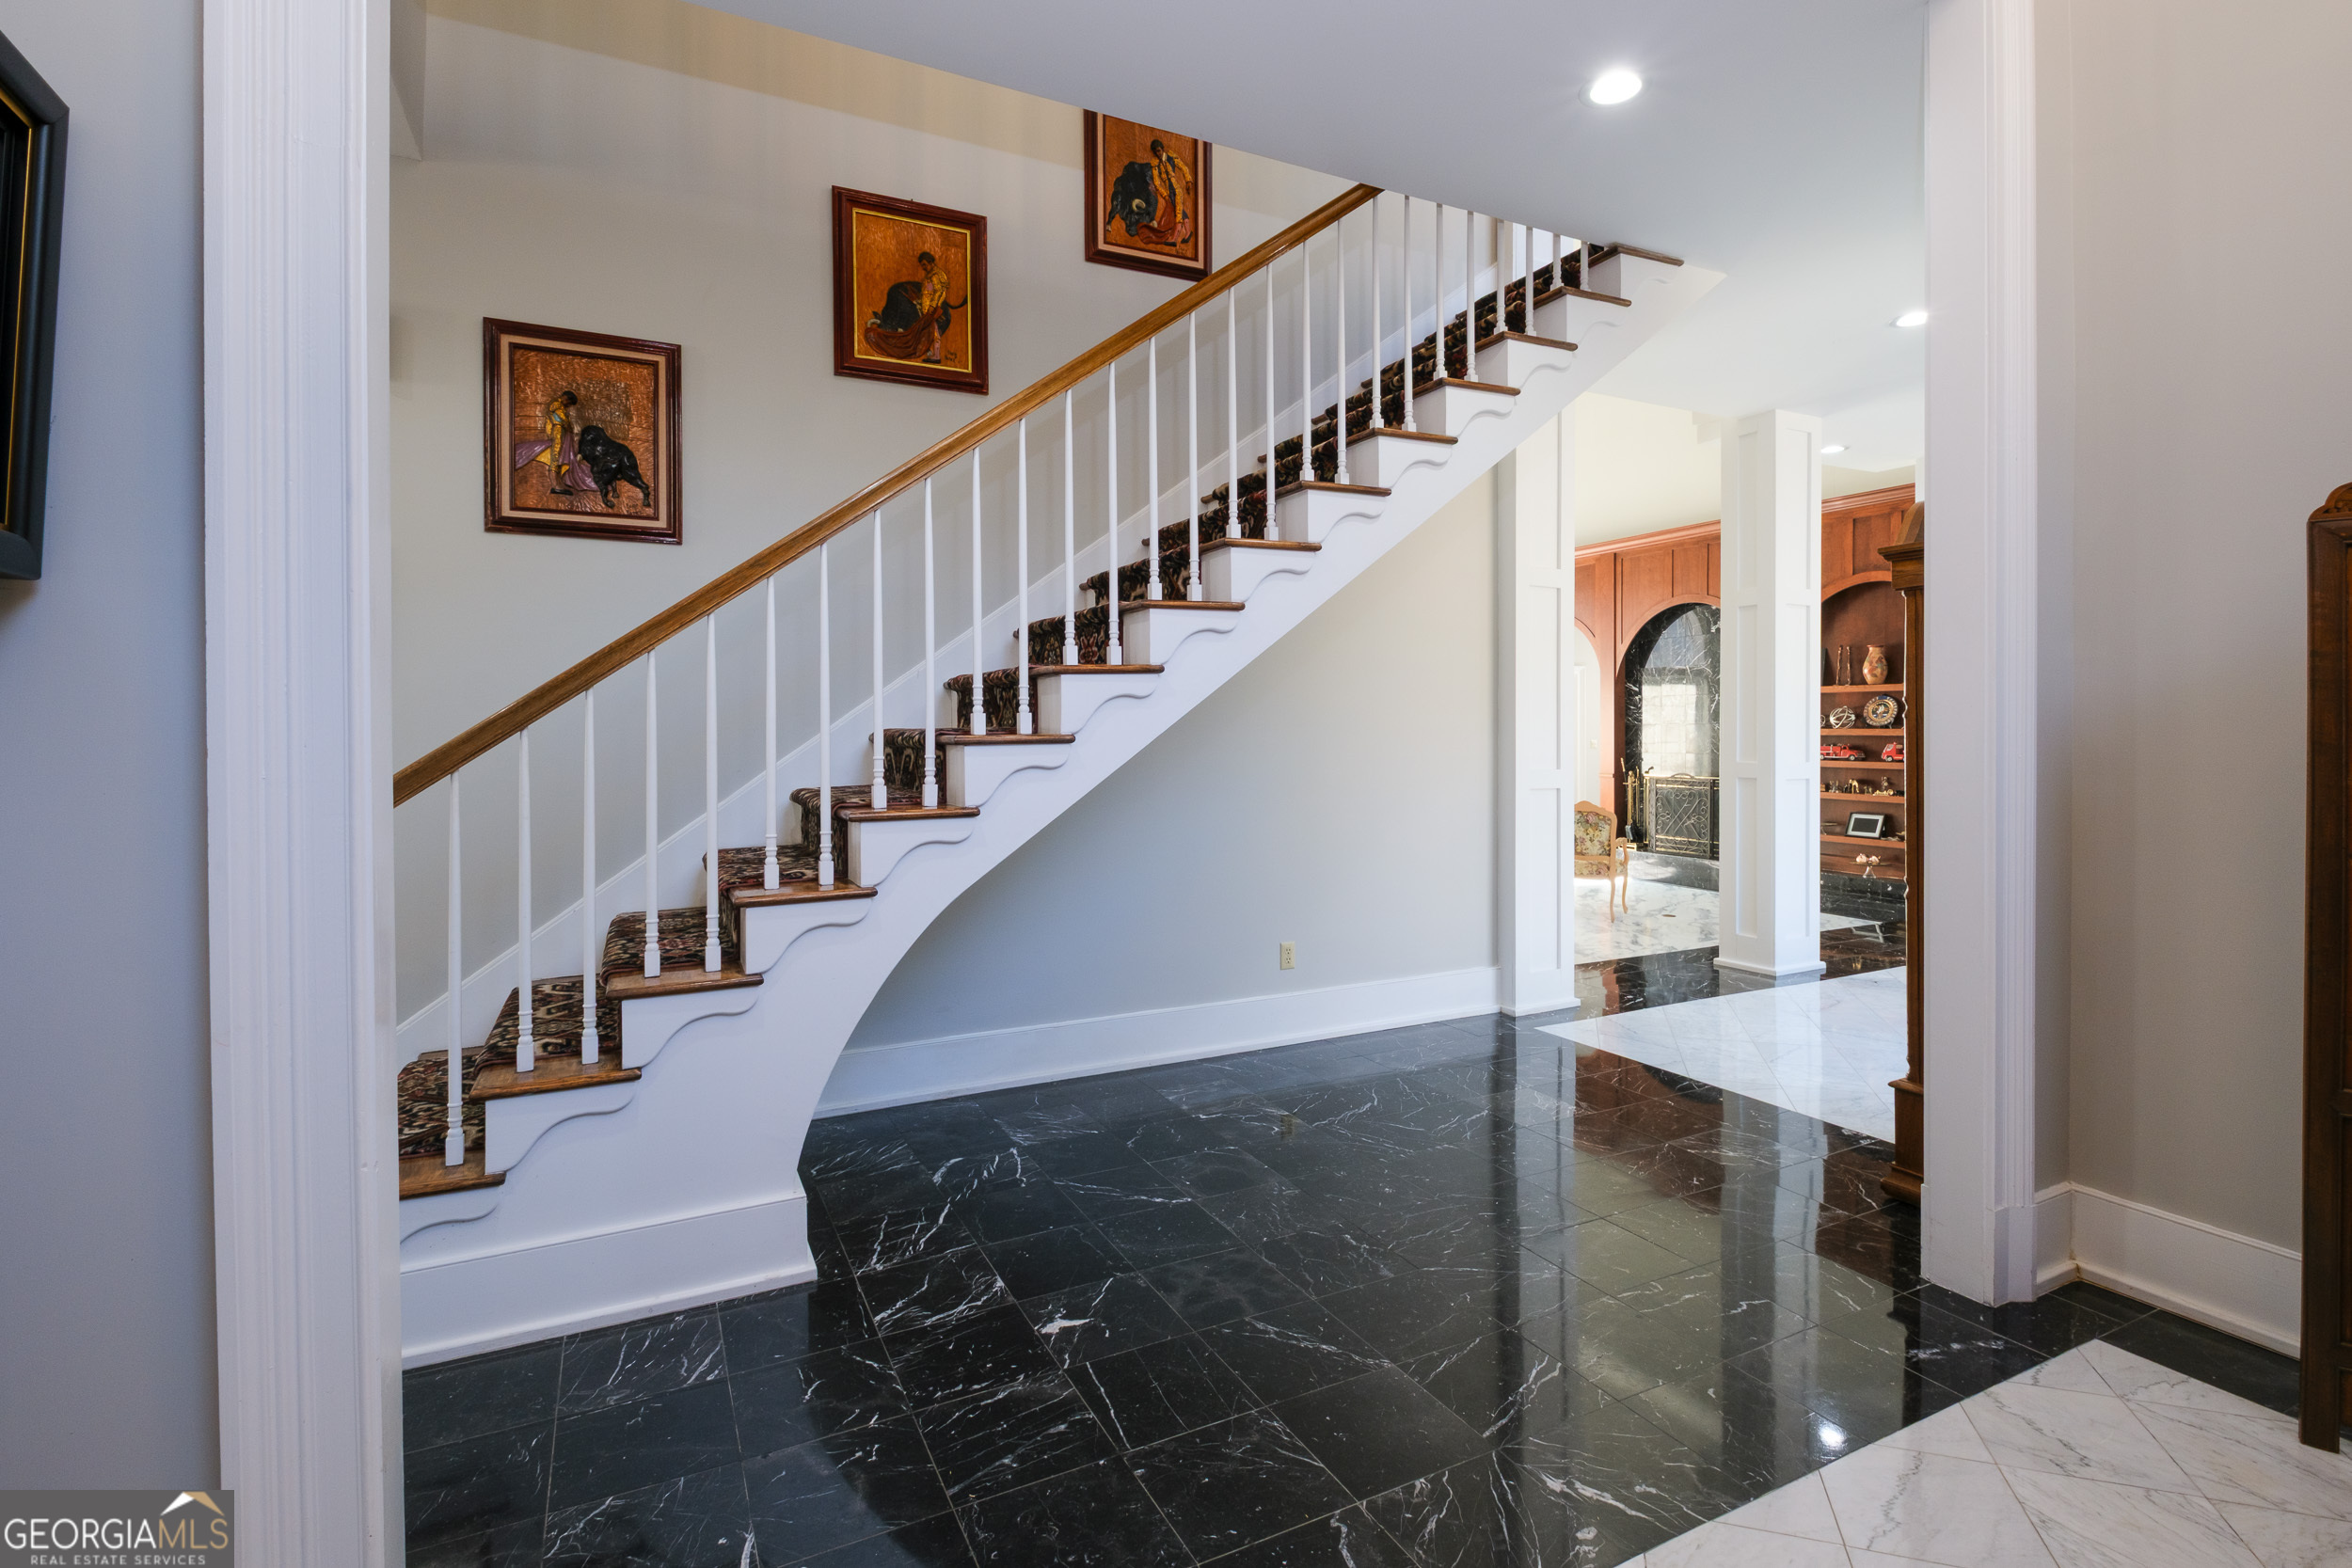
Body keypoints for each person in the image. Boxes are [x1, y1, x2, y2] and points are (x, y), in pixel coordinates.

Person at [864, 249, 963, 364]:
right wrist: (920, 303)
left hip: (933, 310)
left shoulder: (937, 275)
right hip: (926, 308)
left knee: (934, 333)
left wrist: (932, 307)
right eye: (922, 266)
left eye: (925, 265)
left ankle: (935, 356)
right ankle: (934, 354)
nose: (924, 268)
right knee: (930, 332)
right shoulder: (930, 275)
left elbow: (939, 293)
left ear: (931, 262)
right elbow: (926, 292)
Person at [513, 389, 592, 498]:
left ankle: (558, 483)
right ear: (566, 399)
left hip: (560, 432)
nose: (568, 406)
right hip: (558, 432)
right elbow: (563, 420)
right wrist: (569, 427)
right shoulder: (557, 405)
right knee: (555, 457)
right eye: (569, 403)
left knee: (558, 457)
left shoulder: (559, 406)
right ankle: (555, 485)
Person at [1136, 138, 1195, 249]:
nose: (1158, 153)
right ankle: (1188, 233)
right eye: (1156, 152)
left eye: (1159, 150)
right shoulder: (1156, 164)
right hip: (1169, 192)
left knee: (1178, 212)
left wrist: (1188, 180)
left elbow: (1183, 167)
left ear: (1162, 149)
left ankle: (1175, 237)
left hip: (1176, 189)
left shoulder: (1171, 157)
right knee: (1179, 210)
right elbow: (1157, 184)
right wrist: (1165, 195)